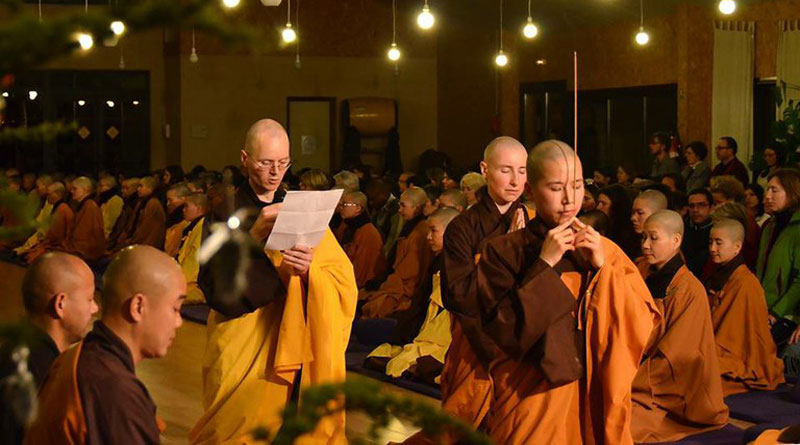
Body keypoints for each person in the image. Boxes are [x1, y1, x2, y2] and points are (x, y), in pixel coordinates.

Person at [473, 140, 659, 443]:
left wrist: (603, 271)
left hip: (592, 385)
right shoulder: (502, 250)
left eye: (577, 185)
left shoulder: (604, 250)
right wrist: (544, 265)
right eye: (556, 188)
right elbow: (504, 331)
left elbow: (643, 320)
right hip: (528, 393)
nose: (569, 199)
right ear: (530, 190)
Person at [191, 119, 357, 444]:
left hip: (291, 339)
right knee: (232, 429)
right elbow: (214, 288)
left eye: (283, 163)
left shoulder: (301, 208)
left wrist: (309, 272)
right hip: (243, 338)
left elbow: (341, 278)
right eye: (266, 162)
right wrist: (252, 238)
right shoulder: (224, 213)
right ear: (245, 159)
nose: (275, 172)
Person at [25, 246, 186, 444]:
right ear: (138, 307)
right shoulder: (113, 390)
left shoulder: (79, 356)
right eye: (175, 308)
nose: (179, 322)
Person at [632, 210, 728, 443]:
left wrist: (632, 379)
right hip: (634, 362)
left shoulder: (689, 290)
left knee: (618, 423)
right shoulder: (640, 271)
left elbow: (677, 354)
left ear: (676, 240)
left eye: (653, 238)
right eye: (644, 237)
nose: (645, 245)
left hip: (663, 387)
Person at [0, 253, 97, 444]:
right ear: (60, 304)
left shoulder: (13, 349)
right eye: (90, 299)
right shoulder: (48, 376)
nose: (95, 308)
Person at [365, 208, 460, 384]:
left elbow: (438, 313)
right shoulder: (439, 260)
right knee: (379, 354)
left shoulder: (457, 266)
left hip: (439, 337)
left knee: (403, 363)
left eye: (434, 231)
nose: (428, 237)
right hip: (419, 326)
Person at [704, 218, 784, 395]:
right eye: (710, 242)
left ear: (737, 247)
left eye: (719, 243)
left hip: (736, 352)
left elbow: (740, 336)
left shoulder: (746, 283)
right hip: (712, 342)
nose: (712, 248)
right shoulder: (719, 273)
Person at [360, 187, 434, 319]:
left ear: (417, 208)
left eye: (403, 206)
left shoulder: (420, 233)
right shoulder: (411, 228)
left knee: (371, 308)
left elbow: (409, 275)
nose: (399, 210)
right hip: (394, 283)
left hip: (403, 291)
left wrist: (384, 285)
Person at [757, 169, 800, 345]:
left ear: (792, 192)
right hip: (762, 306)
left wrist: (775, 313)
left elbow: (799, 282)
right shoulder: (769, 226)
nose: (767, 196)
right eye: (767, 190)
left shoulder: (797, 230)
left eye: (774, 190)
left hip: (787, 313)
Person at [334, 191, 386, 288]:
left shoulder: (368, 233)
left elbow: (362, 269)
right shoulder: (345, 226)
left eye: (345, 205)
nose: (341, 208)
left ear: (358, 208)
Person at [24, 182, 74, 264]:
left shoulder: (62, 209)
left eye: (49, 194)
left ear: (58, 194)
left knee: (34, 258)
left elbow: (56, 235)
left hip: (58, 246)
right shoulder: (56, 207)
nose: (47, 197)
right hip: (49, 242)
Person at [64, 177, 106, 263]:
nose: (71, 191)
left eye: (75, 189)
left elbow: (83, 236)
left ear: (85, 190)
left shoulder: (90, 207)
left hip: (86, 253)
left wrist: (70, 249)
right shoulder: (84, 205)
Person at [177, 193, 209, 304]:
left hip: (193, 284)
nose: (183, 210)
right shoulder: (194, 226)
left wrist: (178, 281)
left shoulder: (203, 227)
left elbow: (194, 260)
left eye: (186, 206)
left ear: (198, 208)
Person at [121, 176, 166, 250]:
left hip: (146, 245)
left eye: (141, 186)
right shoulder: (141, 202)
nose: (138, 189)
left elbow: (145, 229)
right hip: (138, 242)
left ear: (150, 188)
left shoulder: (153, 204)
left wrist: (133, 241)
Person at [682, 189, 714, 276]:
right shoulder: (681, 228)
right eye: (691, 206)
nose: (695, 210)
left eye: (701, 205)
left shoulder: (717, 230)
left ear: (711, 207)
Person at [106, 178, 141, 251]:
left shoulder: (134, 206)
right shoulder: (126, 204)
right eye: (122, 188)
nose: (123, 190)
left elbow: (127, 226)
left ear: (134, 189)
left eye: (126, 188)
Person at [164, 183, 192, 257]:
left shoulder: (185, 222)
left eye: (170, 200)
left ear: (183, 199)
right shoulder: (173, 219)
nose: (168, 204)